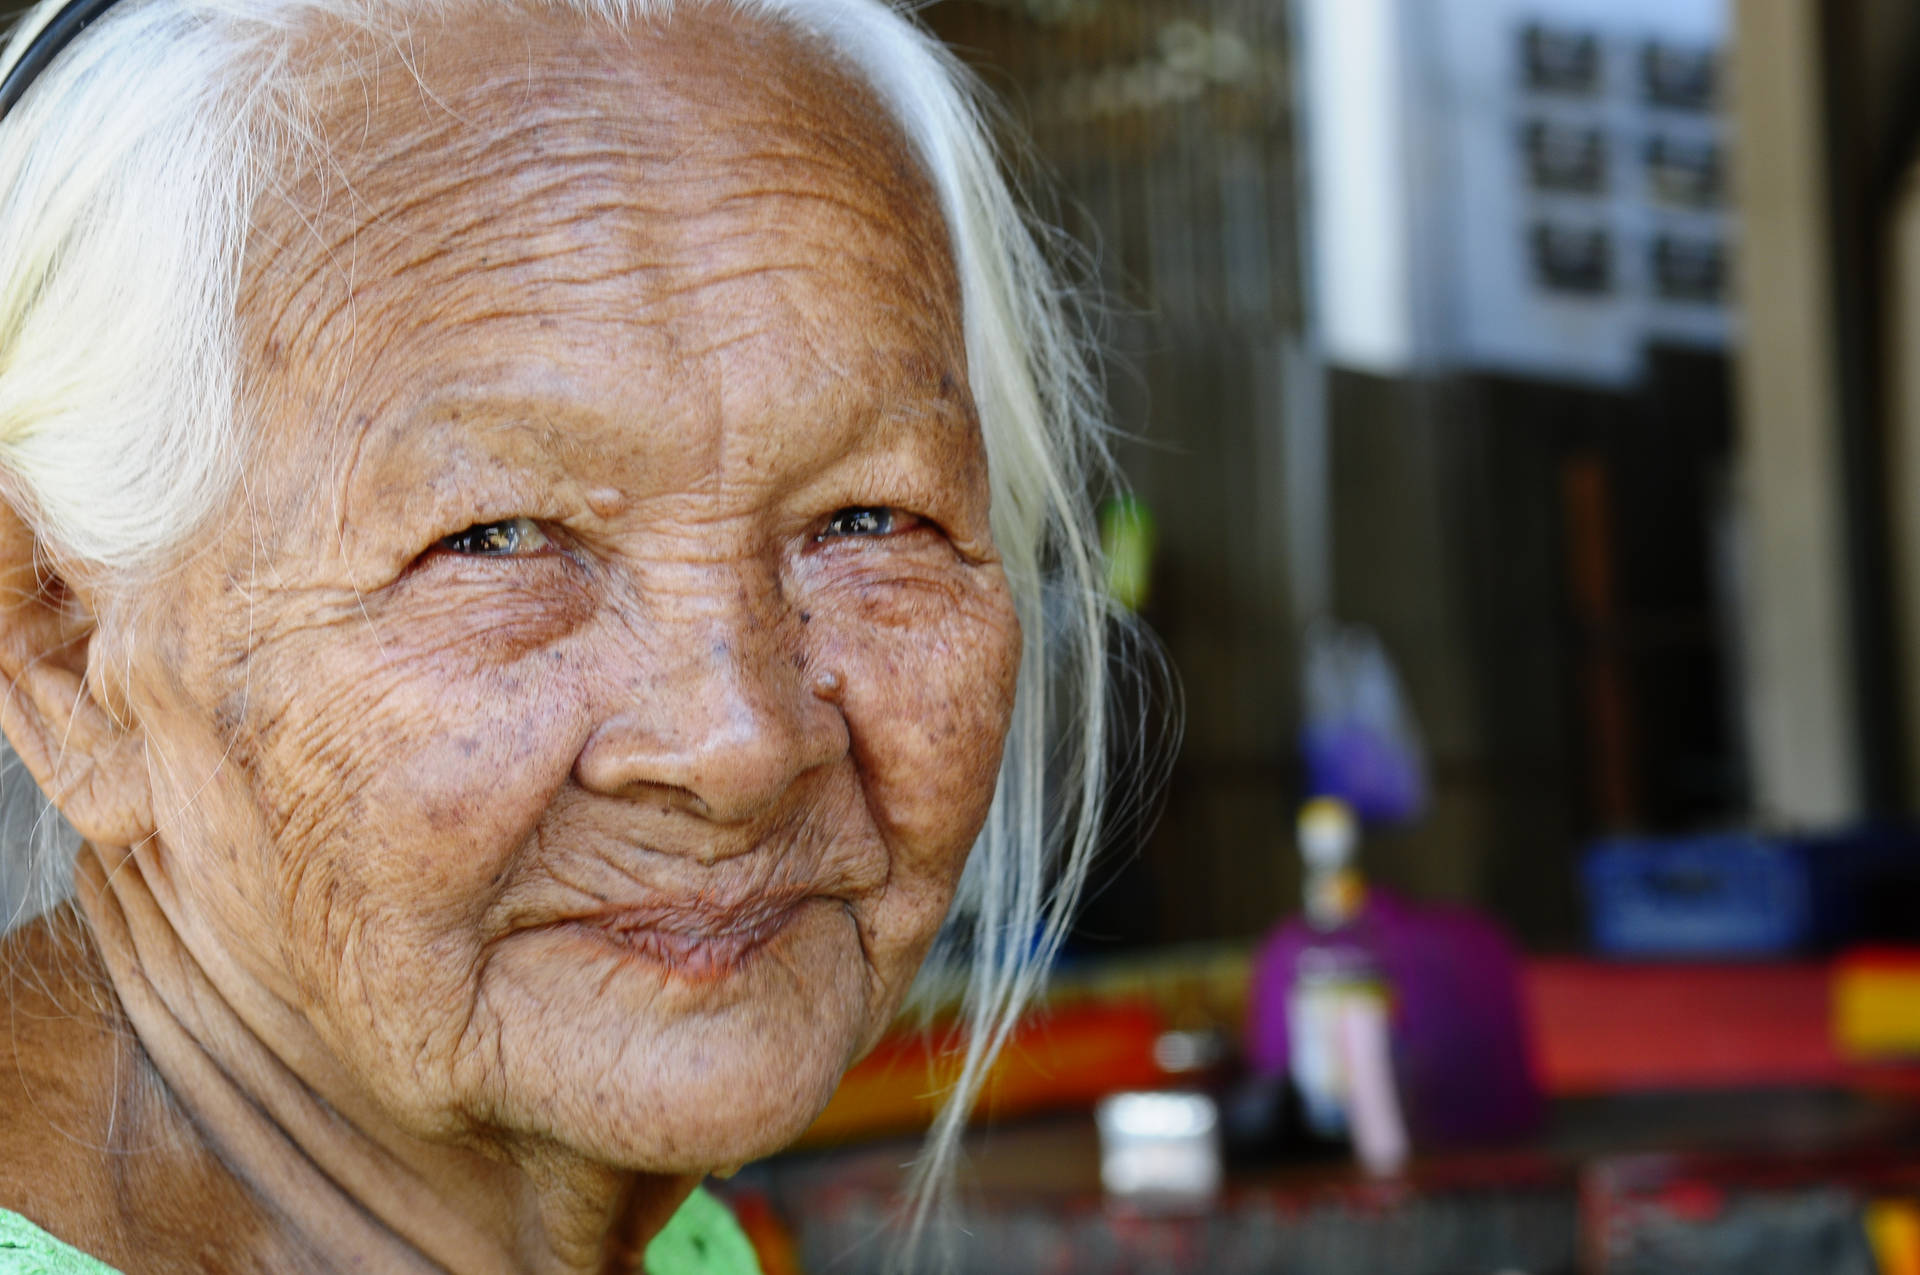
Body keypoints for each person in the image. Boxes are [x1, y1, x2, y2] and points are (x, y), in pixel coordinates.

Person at [0, 0, 1117, 1269]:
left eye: (868, 517)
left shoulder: (680, 1243)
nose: (740, 744)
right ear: (64, 651)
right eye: (495, 538)